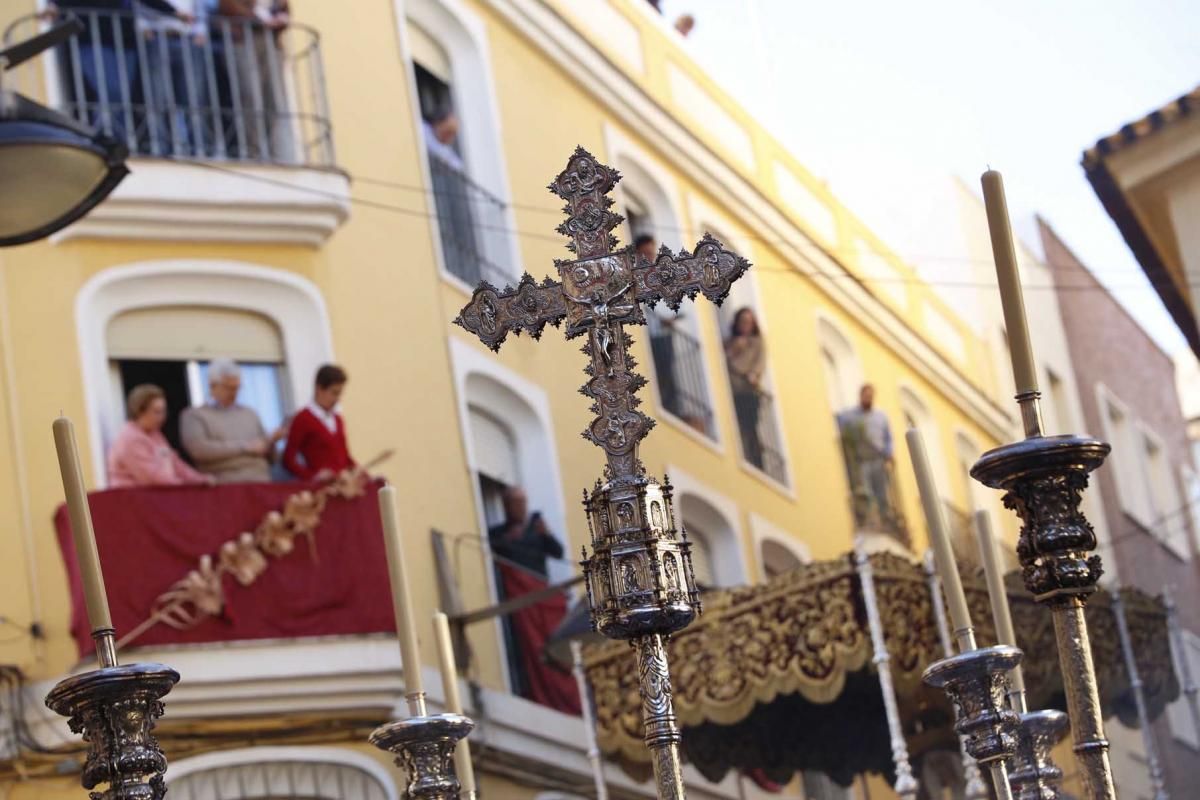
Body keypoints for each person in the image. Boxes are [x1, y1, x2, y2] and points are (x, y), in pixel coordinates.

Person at [180, 359, 285, 483]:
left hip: (261, 481)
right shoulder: (194, 416)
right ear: (212, 385)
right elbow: (199, 451)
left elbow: (271, 458)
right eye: (228, 388)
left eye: (237, 388)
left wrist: (271, 442)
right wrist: (244, 447)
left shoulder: (250, 414)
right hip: (225, 485)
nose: (234, 393)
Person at [108, 384, 213, 488]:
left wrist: (200, 479)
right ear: (140, 411)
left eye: (164, 411)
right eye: (157, 412)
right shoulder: (130, 438)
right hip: (130, 500)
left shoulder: (155, 435)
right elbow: (151, 478)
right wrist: (184, 485)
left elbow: (175, 463)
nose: (162, 417)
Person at [282, 364, 355, 481]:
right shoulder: (302, 419)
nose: (337, 399)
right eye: (334, 393)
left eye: (340, 393)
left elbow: (345, 457)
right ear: (319, 389)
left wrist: (361, 473)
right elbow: (288, 460)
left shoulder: (338, 419)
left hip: (343, 487)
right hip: (320, 491)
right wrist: (313, 477)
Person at [836, 384, 894, 526]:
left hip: (878, 459)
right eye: (866, 395)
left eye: (871, 396)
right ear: (861, 396)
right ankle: (869, 519)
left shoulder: (881, 416)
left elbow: (888, 437)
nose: (868, 398)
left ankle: (884, 519)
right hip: (863, 459)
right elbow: (838, 421)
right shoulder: (850, 416)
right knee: (866, 491)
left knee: (881, 492)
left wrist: (889, 454)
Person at [487, 486, 563, 579]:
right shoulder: (496, 533)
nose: (521, 507)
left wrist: (547, 534)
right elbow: (490, 558)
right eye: (516, 503)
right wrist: (508, 539)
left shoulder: (537, 527)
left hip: (539, 587)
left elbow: (559, 553)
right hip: (516, 589)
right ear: (506, 506)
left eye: (523, 502)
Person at [725, 307, 766, 469]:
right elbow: (723, 360)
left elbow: (760, 362)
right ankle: (743, 454)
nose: (746, 325)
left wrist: (754, 375)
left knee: (750, 426)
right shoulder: (729, 342)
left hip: (748, 389)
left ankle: (756, 461)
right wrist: (734, 349)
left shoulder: (757, 342)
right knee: (738, 424)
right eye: (743, 321)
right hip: (733, 386)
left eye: (749, 322)